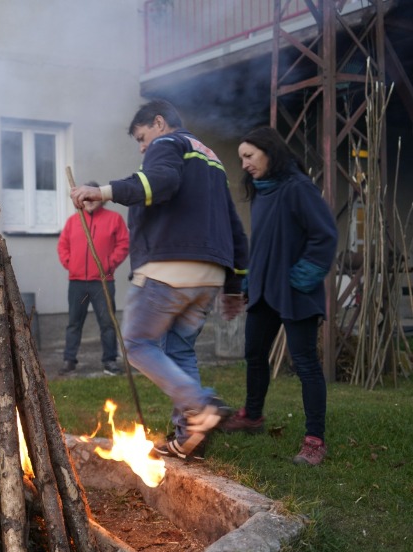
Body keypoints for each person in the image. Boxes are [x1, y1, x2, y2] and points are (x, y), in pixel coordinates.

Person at [71, 99, 248, 460]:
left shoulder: (168, 144)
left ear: (159, 122)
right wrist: (233, 285)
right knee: (180, 350)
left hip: (168, 268)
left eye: (141, 137)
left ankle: (200, 405)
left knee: (136, 344)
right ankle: (189, 439)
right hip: (208, 275)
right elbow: (234, 226)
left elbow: (159, 183)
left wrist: (101, 192)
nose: (142, 147)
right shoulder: (212, 160)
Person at [220, 126, 337, 466]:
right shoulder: (261, 191)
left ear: (269, 152)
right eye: (241, 157)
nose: (244, 164)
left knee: (305, 364)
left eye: (249, 156)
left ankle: (315, 439)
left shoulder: (298, 188)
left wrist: (301, 278)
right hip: (264, 291)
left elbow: (324, 236)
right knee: (255, 353)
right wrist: (248, 285)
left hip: (296, 291)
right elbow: (263, 244)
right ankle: (253, 415)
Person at [57, 183, 130, 376]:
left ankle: (110, 361)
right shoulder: (73, 221)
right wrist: (70, 263)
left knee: (107, 322)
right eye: (85, 198)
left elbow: (123, 244)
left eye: (91, 197)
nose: (88, 202)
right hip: (77, 282)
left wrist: (109, 264)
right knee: (74, 322)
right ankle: (69, 360)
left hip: (103, 282)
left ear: (100, 198)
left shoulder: (114, 219)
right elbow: (63, 245)